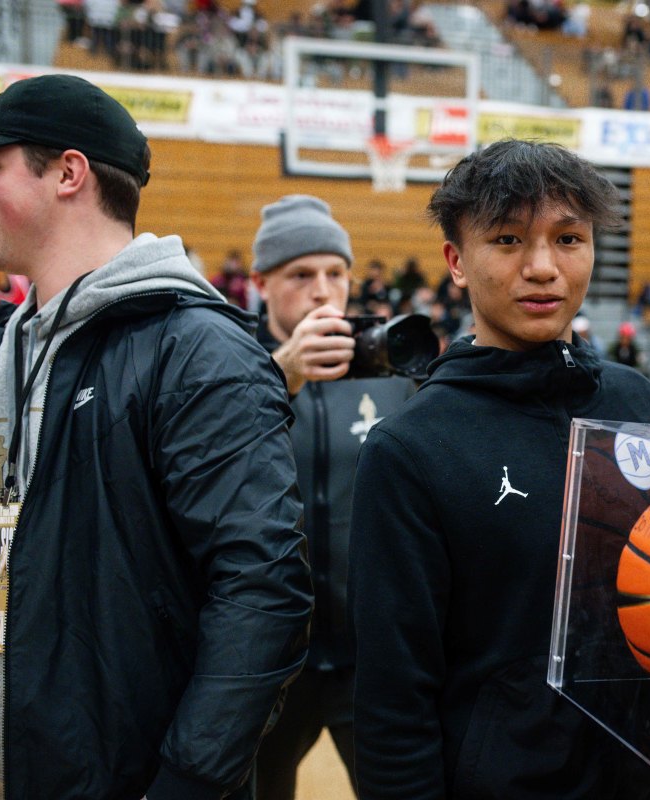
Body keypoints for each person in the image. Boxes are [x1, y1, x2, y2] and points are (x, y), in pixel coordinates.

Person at [0, 74, 313, 799]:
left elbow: (262, 589)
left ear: (67, 173)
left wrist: (187, 783)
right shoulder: (10, 346)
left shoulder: (198, 349)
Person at [350, 139, 650, 799]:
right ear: (457, 259)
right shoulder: (410, 450)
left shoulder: (639, 405)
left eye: (568, 239)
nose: (543, 267)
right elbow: (394, 699)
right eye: (507, 241)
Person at [250, 195, 416, 800]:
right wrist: (280, 373)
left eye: (335, 274)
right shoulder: (231, 364)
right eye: (301, 275)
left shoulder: (391, 371)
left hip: (367, 659)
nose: (323, 292)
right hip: (266, 663)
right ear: (262, 282)